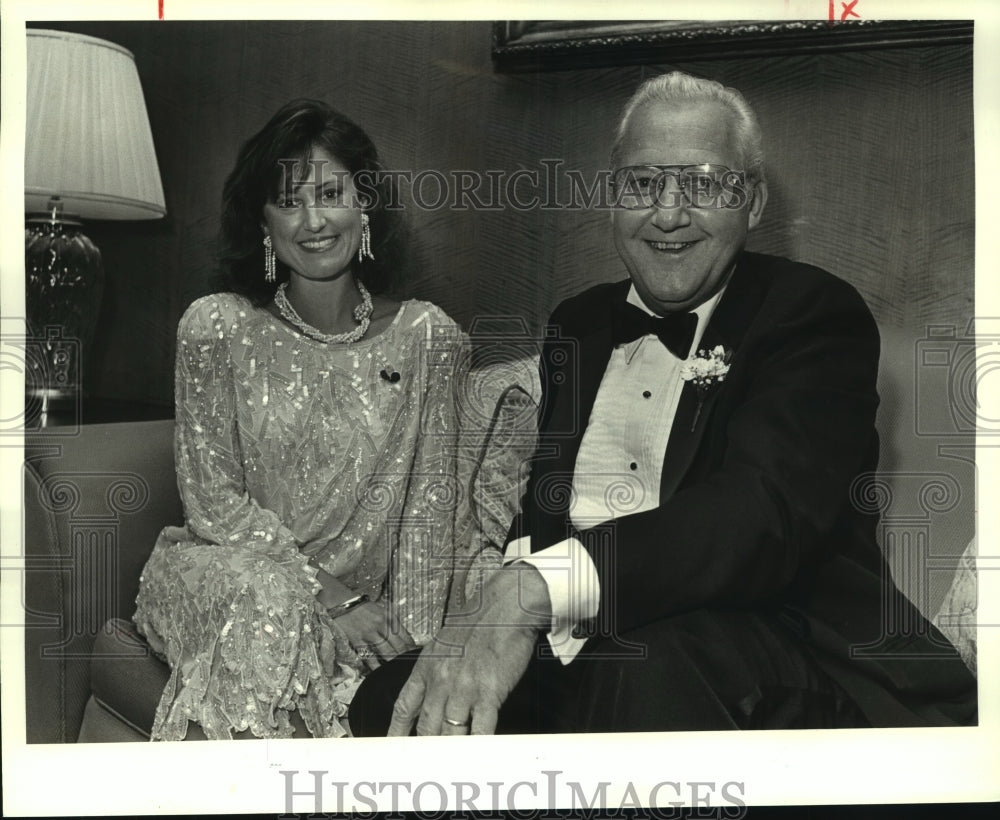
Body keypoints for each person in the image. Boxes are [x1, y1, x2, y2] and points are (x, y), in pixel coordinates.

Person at [348, 71, 977, 735]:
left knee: (643, 666)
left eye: (703, 183)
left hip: (772, 646)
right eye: (643, 184)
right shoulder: (580, 321)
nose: (669, 213)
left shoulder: (813, 313)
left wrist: (536, 587)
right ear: (612, 196)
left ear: (753, 200)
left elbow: (761, 517)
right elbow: (548, 498)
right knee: (394, 698)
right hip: (584, 646)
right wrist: (499, 612)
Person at [133, 99, 484, 740]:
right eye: (289, 201)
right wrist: (330, 597)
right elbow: (213, 504)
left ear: (364, 204)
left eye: (330, 193)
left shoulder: (431, 339)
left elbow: (432, 517)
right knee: (267, 606)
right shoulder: (216, 327)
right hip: (220, 574)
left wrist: (409, 645)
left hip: (357, 603)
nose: (314, 220)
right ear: (263, 220)